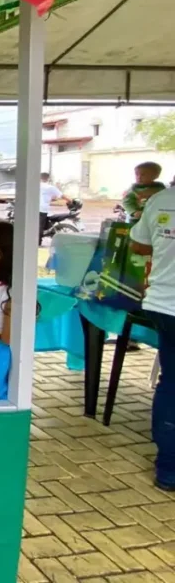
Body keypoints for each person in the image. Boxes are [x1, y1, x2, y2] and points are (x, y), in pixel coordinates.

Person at [129, 185, 175, 490]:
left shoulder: (162, 200)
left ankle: (169, 469)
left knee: (171, 383)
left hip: (164, 304)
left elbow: (138, 244)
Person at [39, 173, 69, 246]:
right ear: (48, 179)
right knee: (40, 225)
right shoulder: (50, 187)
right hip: (43, 209)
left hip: (40, 209)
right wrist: (70, 200)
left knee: (38, 227)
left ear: (40, 178)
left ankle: (38, 243)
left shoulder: (37, 186)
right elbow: (61, 195)